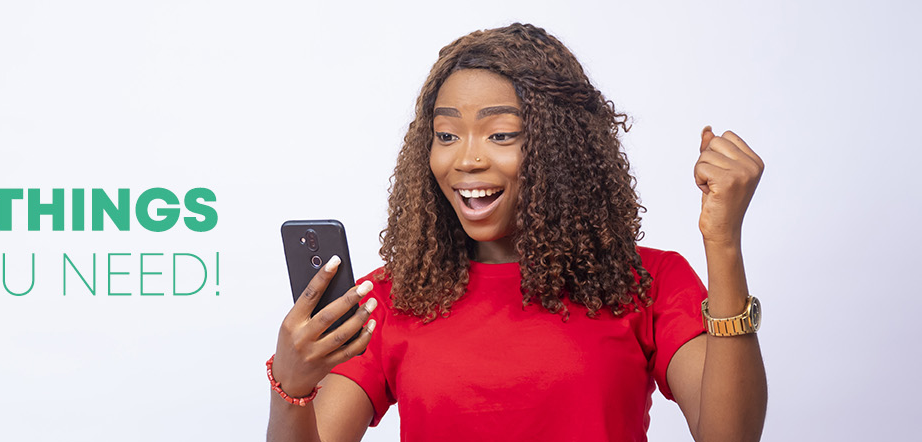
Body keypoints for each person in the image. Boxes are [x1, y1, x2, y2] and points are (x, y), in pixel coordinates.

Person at [266, 23, 768, 441]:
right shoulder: (391, 299)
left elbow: (730, 436)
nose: (467, 158)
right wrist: (290, 387)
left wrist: (722, 242)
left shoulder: (647, 281)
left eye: (501, 134)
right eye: (446, 135)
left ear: (560, 147)